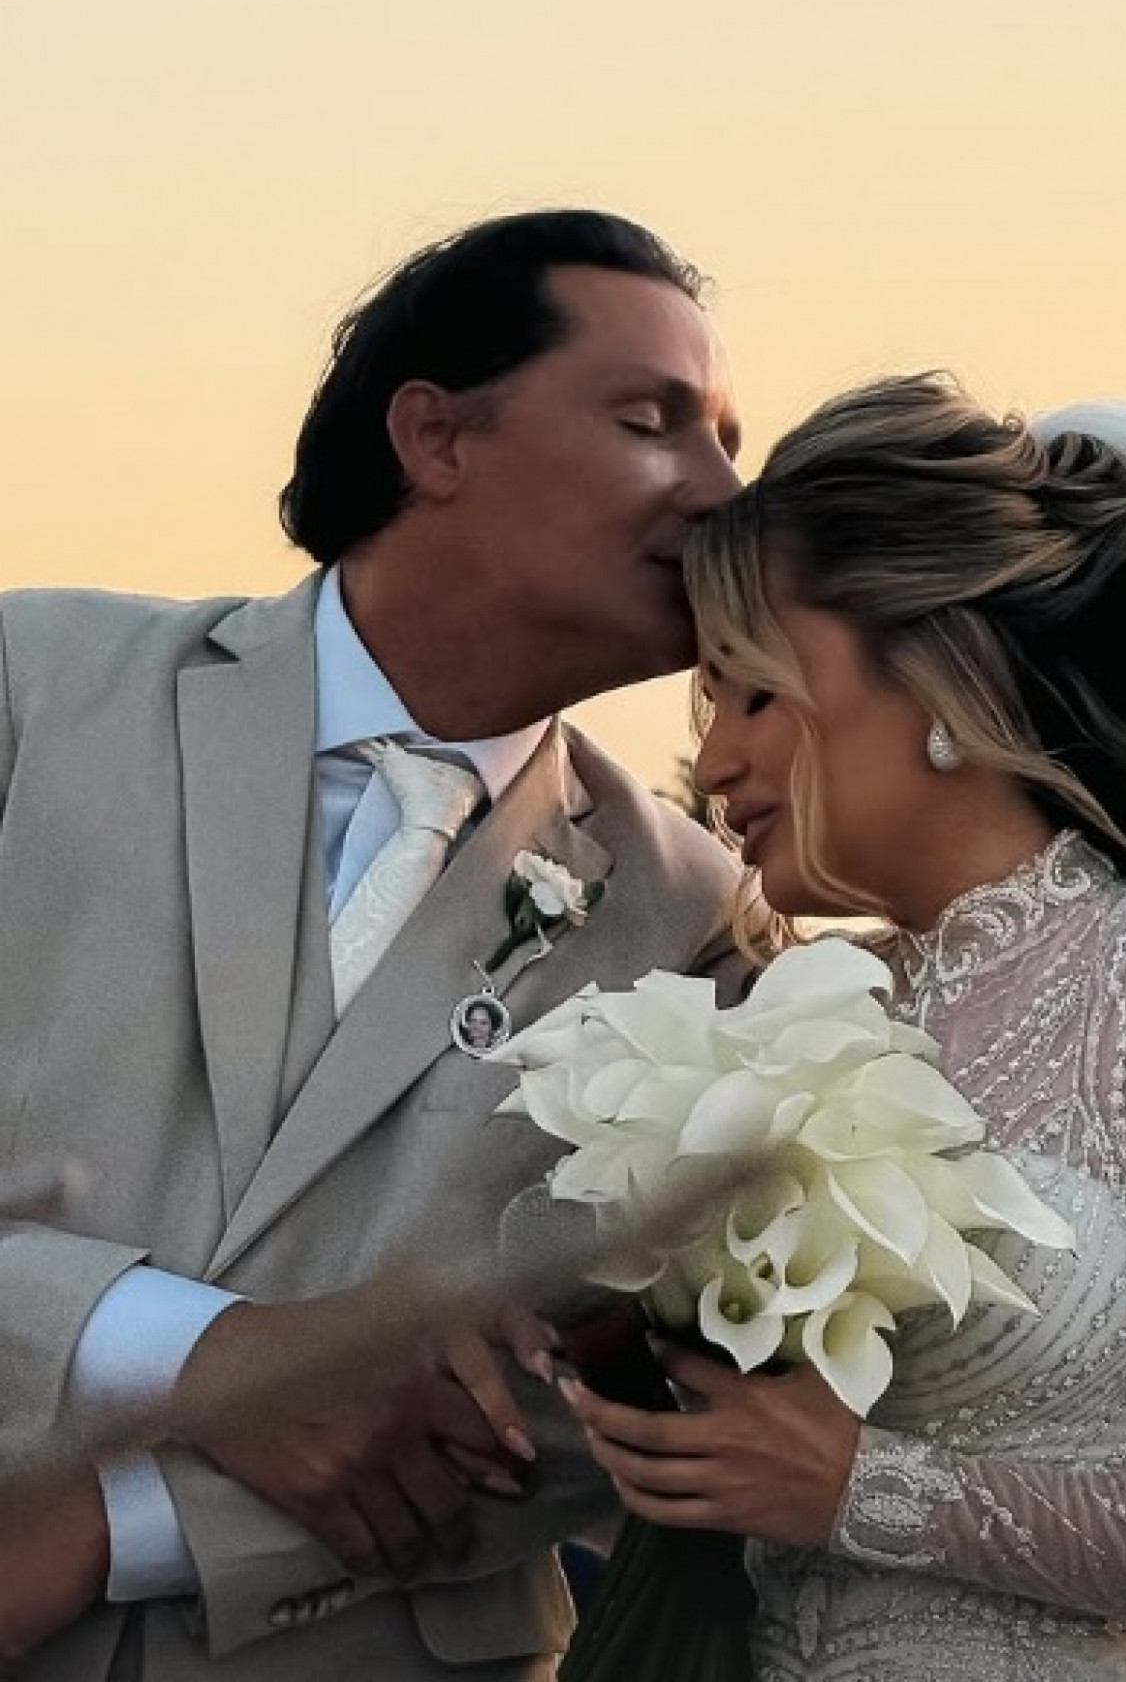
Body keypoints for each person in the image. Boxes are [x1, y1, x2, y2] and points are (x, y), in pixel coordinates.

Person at [0, 208, 748, 1680]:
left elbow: (623, 1378)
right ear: (436, 437)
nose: (728, 495)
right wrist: (190, 1352)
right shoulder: (35, 688)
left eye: (729, 439)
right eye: (652, 421)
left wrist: (126, 1521)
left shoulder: (696, 916)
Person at [562, 374, 1126, 1678]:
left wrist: (869, 1493)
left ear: (936, 671)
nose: (716, 766)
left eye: (753, 694)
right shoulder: (772, 1018)